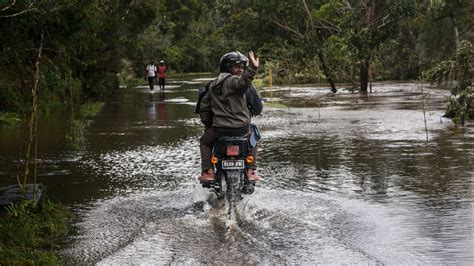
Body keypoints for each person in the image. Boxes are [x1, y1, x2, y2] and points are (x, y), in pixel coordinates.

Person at [198, 51, 261, 182]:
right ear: (228, 68)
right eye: (236, 67)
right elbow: (243, 83)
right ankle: (251, 170)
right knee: (255, 135)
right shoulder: (233, 81)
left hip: (219, 130)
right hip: (241, 129)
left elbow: (204, 108)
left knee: (205, 141)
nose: (240, 70)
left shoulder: (212, 84)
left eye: (242, 67)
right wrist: (253, 68)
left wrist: (208, 125)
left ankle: (208, 171)